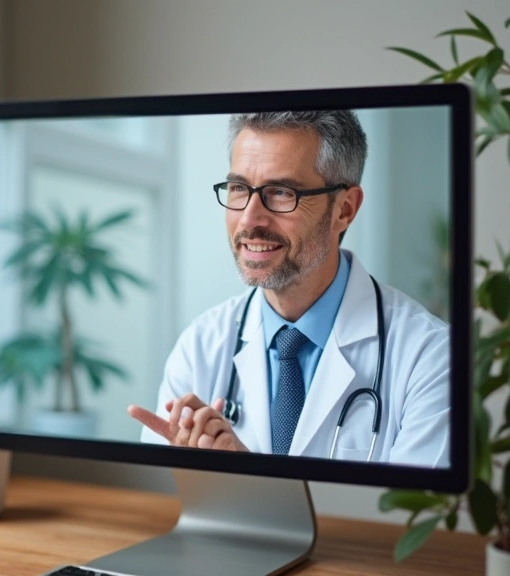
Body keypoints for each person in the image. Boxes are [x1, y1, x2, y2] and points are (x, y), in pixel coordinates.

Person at [127, 110, 450, 467]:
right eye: (238, 188)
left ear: (344, 209)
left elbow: (412, 518)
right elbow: (168, 502)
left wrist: (244, 477)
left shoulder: (431, 358)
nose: (250, 219)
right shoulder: (200, 346)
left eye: (281, 193)